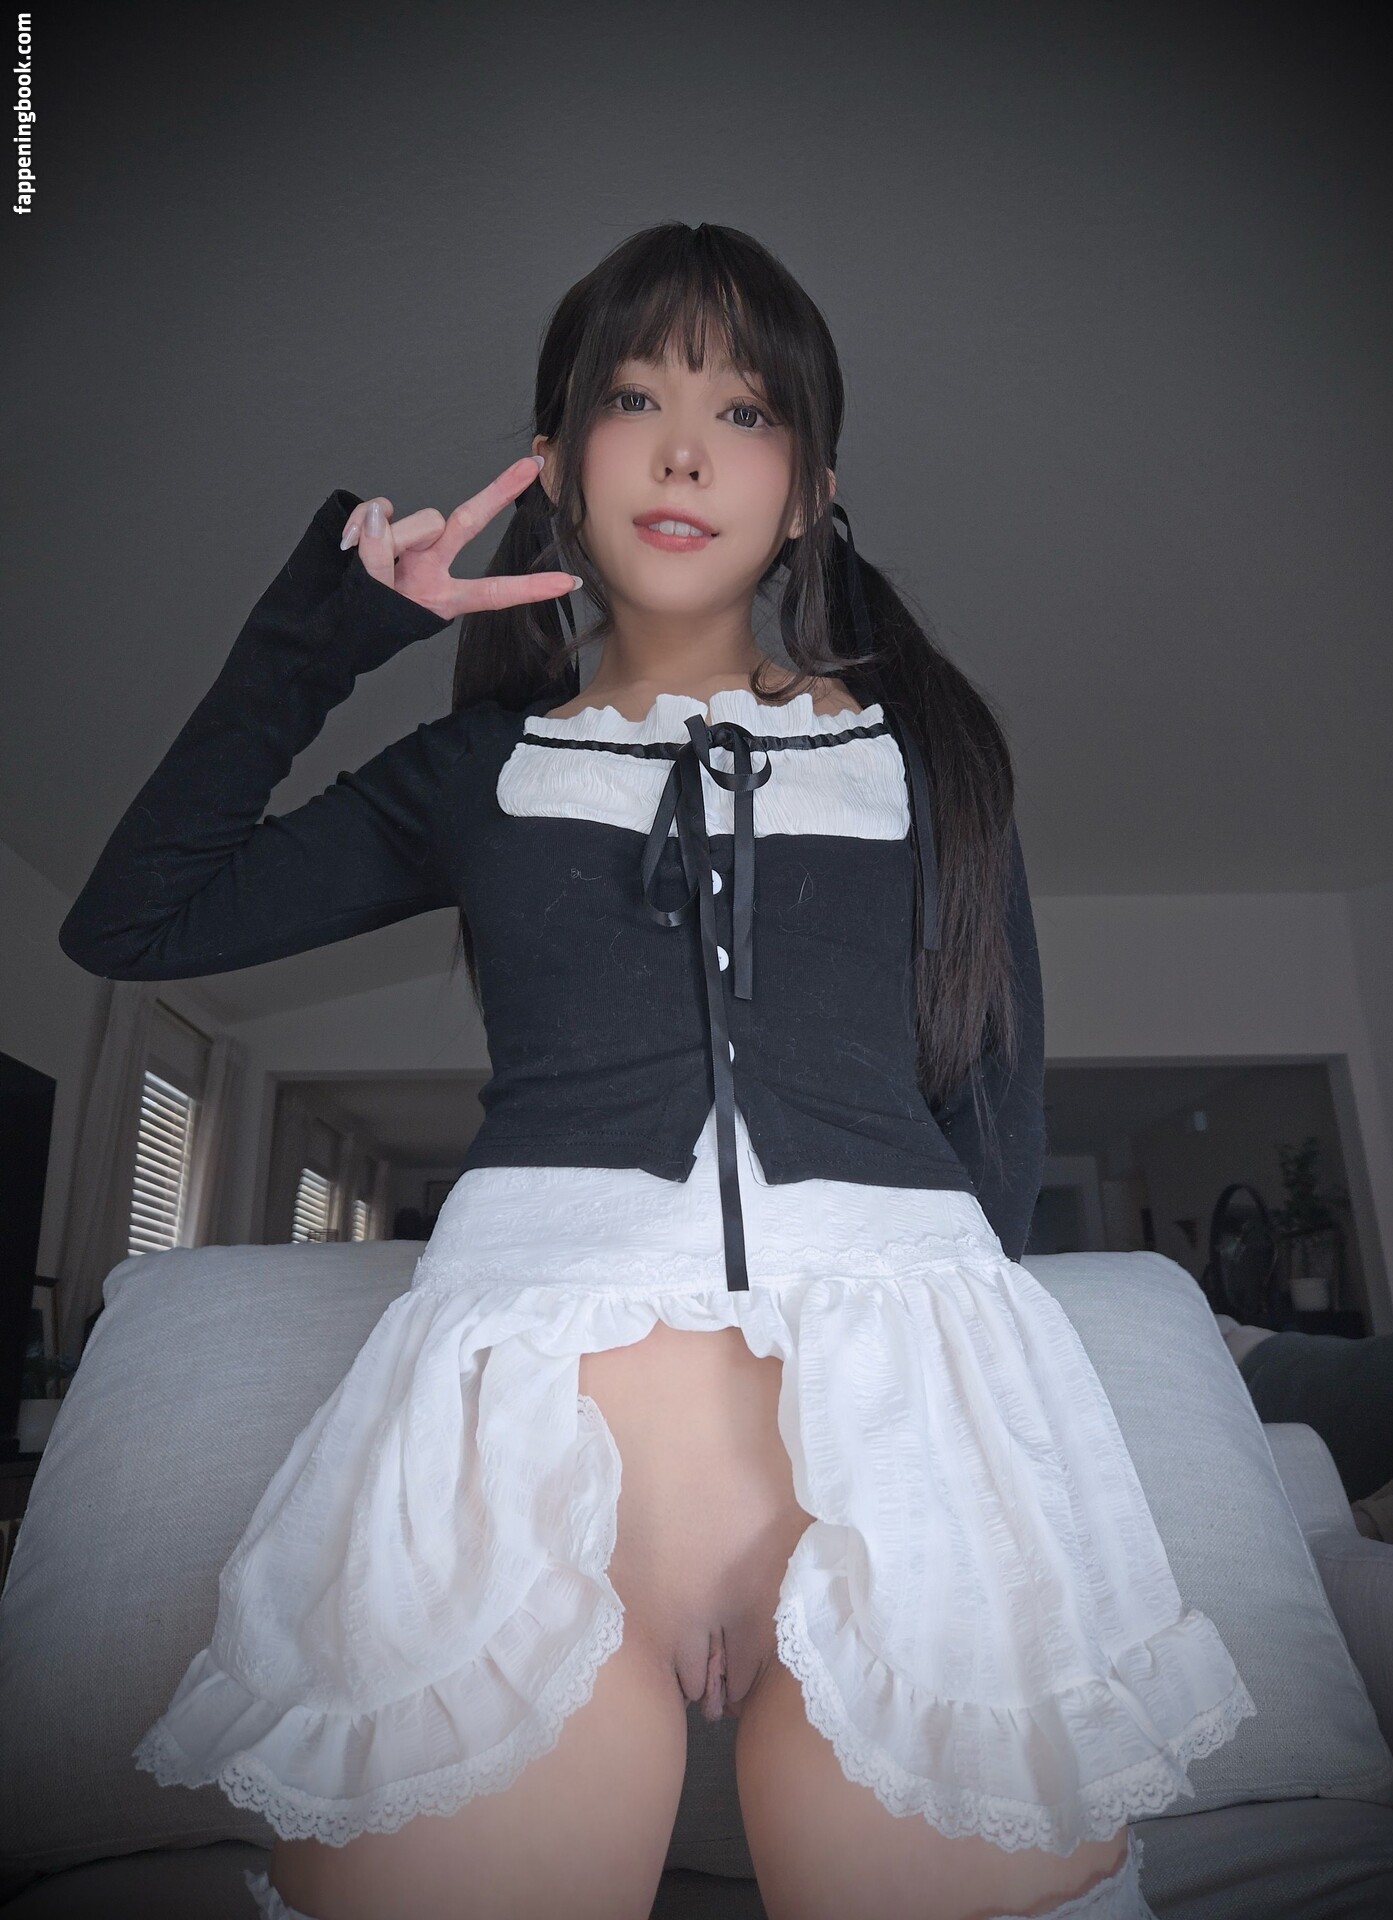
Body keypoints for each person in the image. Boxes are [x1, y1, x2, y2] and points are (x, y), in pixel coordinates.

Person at [59, 223, 1255, 1920]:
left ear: (811, 488)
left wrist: (943, 1444)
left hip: (909, 1485)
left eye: (744, 411)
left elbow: (993, 1132)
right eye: (635, 397)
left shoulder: (928, 765)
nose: (686, 450)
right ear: (557, 463)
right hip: (513, 1500)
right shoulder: (477, 771)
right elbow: (135, 919)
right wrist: (330, 633)